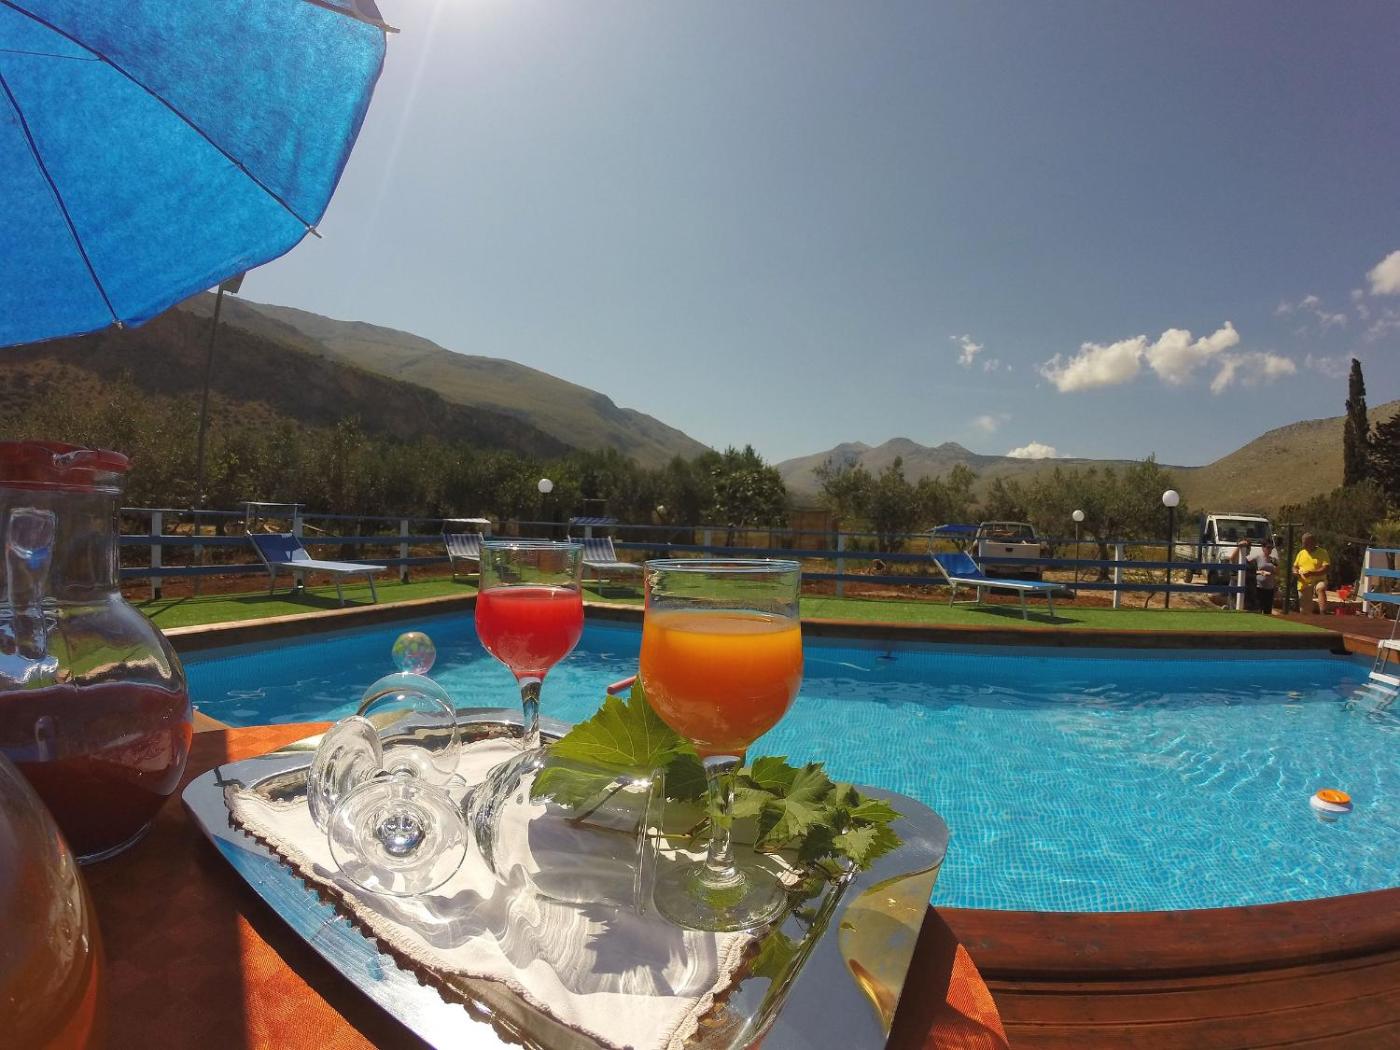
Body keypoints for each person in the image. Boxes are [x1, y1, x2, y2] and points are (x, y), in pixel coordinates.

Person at [1293, 533, 1331, 613]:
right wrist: (1295, 571)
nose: (1304, 545)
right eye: (1303, 543)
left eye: (1306, 543)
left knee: (1321, 588)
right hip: (1304, 583)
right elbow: (1295, 566)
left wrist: (1311, 573)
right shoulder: (1301, 553)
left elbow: (1326, 568)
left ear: (1313, 542)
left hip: (1318, 580)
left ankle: (1323, 613)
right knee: (1305, 611)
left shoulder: (1322, 552)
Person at [1225, 539, 1258, 611]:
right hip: (1237, 590)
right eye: (1247, 547)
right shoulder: (1238, 560)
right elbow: (1232, 559)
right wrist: (1239, 547)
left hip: (1249, 592)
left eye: (1249, 547)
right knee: (1235, 610)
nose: (1249, 549)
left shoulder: (1248, 561)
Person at [1254, 538, 1279, 612]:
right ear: (1263, 548)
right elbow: (1252, 570)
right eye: (1268, 547)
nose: (1270, 550)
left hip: (1269, 588)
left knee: (1267, 610)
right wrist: (1261, 572)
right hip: (1259, 587)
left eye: (1271, 548)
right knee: (1258, 609)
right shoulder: (1257, 558)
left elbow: (1277, 573)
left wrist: (1276, 566)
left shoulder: (1273, 559)